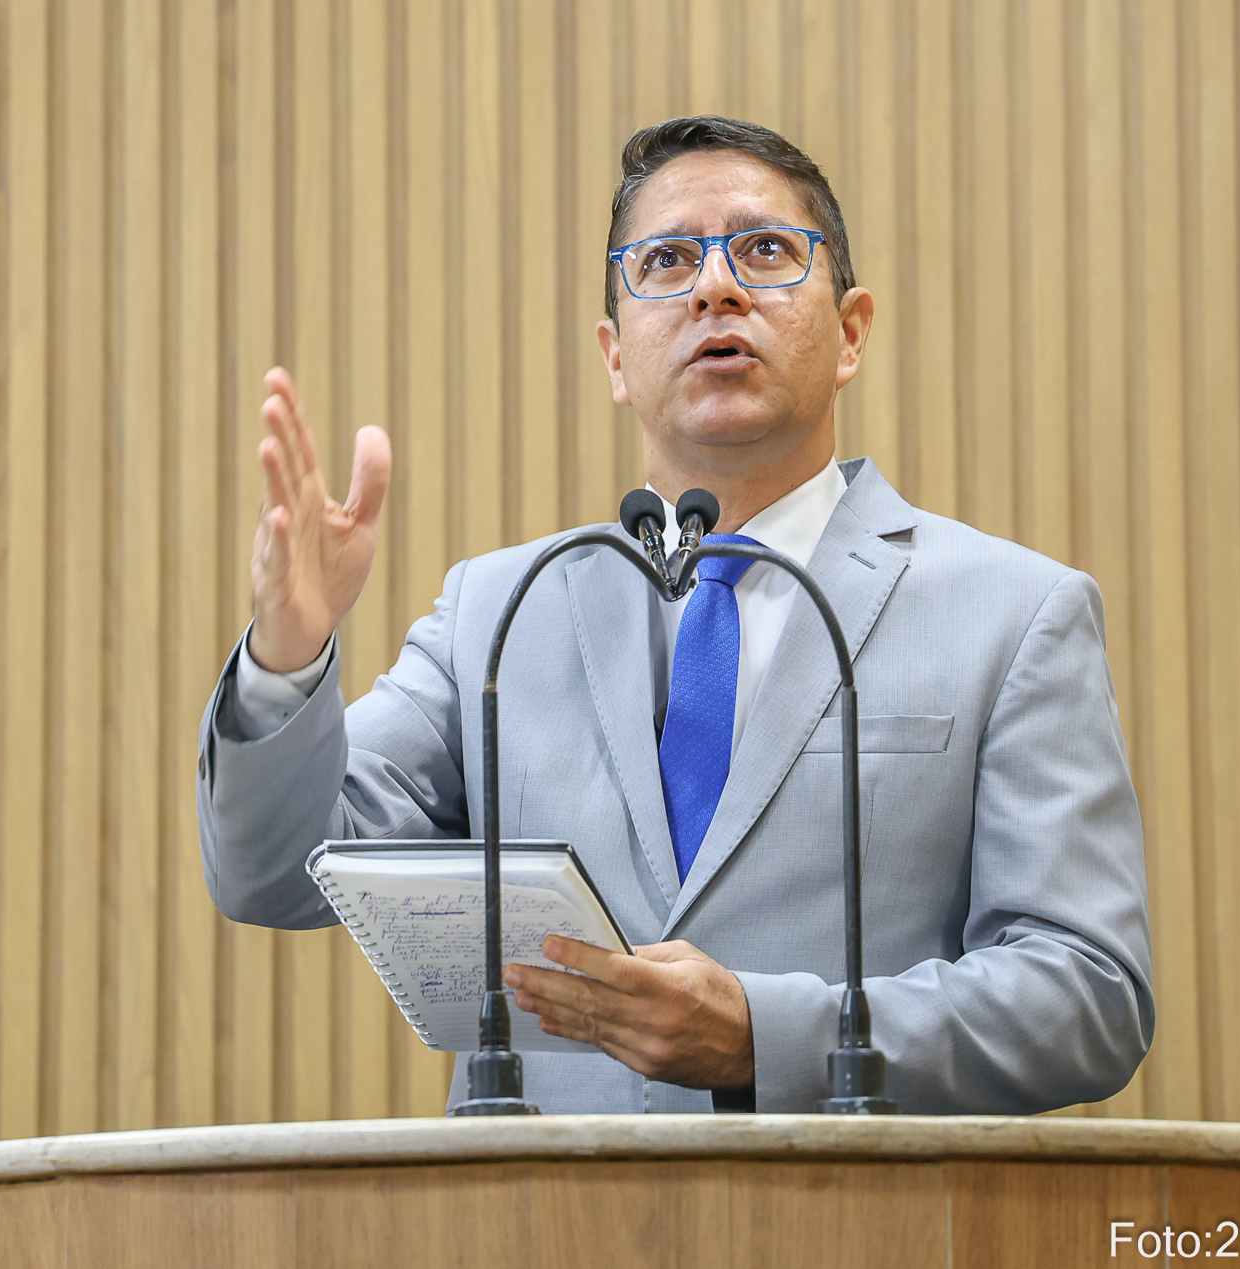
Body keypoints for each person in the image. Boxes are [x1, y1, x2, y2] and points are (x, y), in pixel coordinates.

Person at [196, 115, 1153, 1114]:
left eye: (766, 250)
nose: (715, 288)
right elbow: (274, 874)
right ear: (615, 357)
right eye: (666, 261)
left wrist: (767, 1034)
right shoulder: (500, 613)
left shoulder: (1014, 613)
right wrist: (286, 657)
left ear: (850, 333)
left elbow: (1087, 993)